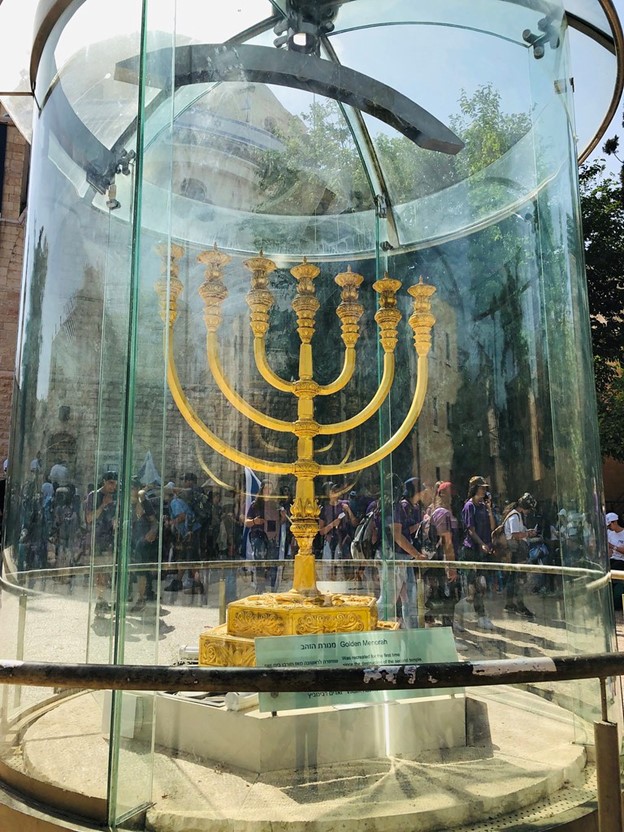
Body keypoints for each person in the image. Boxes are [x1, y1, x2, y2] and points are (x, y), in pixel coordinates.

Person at [460, 475, 495, 630]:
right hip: (472, 549)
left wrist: (489, 509)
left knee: (483, 584)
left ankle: (481, 615)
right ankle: (479, 616)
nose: (483, 490)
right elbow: (471, 530)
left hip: (484, 549)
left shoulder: (482, 506)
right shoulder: (469, 506)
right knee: (475, 585)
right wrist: (481, 544)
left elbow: (492, 526)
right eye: (481, 488)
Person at [85, 472, 118, 617]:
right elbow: (89, 518)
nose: (113, 486)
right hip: (97, 539)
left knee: (108, 571)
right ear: (104, 482)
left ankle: (105, 600)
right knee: (100, 571)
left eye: (115, 483)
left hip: (111, 539)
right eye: (111, 483)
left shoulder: (117, 497)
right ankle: (100, 600)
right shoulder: (94, 496)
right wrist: (103, 505)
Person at [427, 481, 459, 628]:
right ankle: (448, 630)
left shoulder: (447, 512)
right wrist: (450, 566)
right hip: (443, 562)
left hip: (447, 561)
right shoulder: (441, 513)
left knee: (451, 596)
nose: (452, 498)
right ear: (442, 494)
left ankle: (448, 625)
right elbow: (447, 542)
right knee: (448, 597)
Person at [245, 481, 287, 592]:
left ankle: (273, 590)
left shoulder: (275, 505)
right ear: (262, 490)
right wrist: (255, 521)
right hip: (258, 535)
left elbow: (280, 522)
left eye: (270, 488)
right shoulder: (255, 505)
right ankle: (260, 589)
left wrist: (283, 517)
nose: (268, 490)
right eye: (266, 488)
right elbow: (247, 522)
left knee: (273, 563)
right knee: (260, 562)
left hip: (272, 537)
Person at [501, 493, 536, 618]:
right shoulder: (515, 516)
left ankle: (510, 604)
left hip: (517, 551)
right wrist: (528, 533)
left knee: (514, 578)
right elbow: (515, 535)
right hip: (516, 551)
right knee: (519, 579)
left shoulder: (516, 515)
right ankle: (518, 604)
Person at [318, 482, 358, 581]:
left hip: (344, 542)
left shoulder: (345, 505)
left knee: (345, 570)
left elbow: (354, 523)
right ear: (328, 493)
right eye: (333, 491)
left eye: (337, 490)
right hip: (330, 541)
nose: (336, 493)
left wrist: (348, 510)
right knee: (329, 570)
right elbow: (321, 531)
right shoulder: (324, 509)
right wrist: (332, 524)